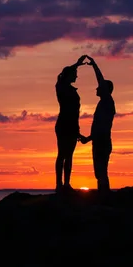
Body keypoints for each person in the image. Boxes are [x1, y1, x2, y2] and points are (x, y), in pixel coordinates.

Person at [80, 56, 115, 192]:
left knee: (101, 171)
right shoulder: (103, 103)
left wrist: (94, 65)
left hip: (103, 142)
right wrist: (88, 139)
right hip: (99, 141)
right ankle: (103, 194)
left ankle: (104, 195)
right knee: (99, 172)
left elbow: (100, 80)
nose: (96, 89)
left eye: (99, 87)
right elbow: (98, 128)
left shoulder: (107, 101)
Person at [55, 55, 87, 192]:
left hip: (73, 126)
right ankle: (59, 185)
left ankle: (66, 184)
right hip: (63, 125)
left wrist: (77, 130)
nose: (77, 77)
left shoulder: (71, 90)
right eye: (75, 74)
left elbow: (75, 114)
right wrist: (78, 64)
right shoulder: (61, 87)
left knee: (69, 156)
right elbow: (64, 74)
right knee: (62, 154)